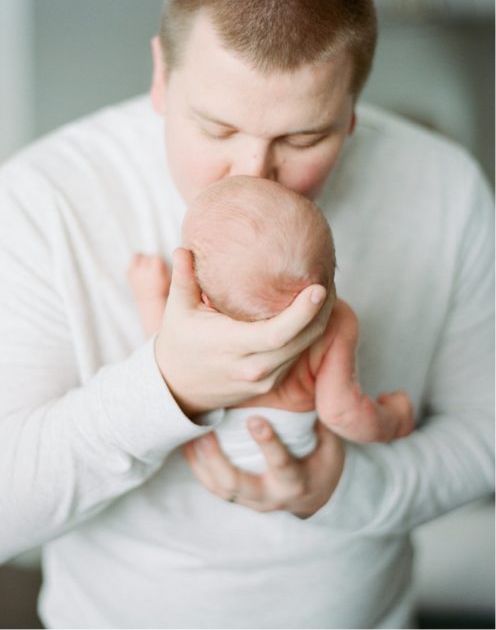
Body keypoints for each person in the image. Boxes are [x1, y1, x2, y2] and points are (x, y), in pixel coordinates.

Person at [0, 0, 493, 627]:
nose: (252, 174)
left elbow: (484, 436)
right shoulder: (42, 198)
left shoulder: (446, 187)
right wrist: (167, 385)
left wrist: (343, 486)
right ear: (162, 73)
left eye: (305, 138)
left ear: (352, 108)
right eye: (215, 127)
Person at [128, 175, 414, 474]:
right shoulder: (337, 321)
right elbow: (341, 414)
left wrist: (150, 297)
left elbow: (161, 348)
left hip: (205, 445)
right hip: (294, 450)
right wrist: (394, 420)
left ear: (204, 297)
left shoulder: (200, 330)